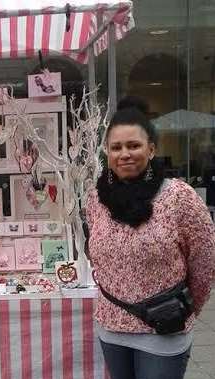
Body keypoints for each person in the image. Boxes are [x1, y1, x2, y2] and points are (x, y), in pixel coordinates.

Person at [86, 96, 215, 379]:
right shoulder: (97, 198)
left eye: (134, 145)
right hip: (111, 326)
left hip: (162, 328)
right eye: (116, 147)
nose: (125, 154)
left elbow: (204, 265)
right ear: (107, 151)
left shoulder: (179, 197)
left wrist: (182, 307)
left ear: (152, 149)